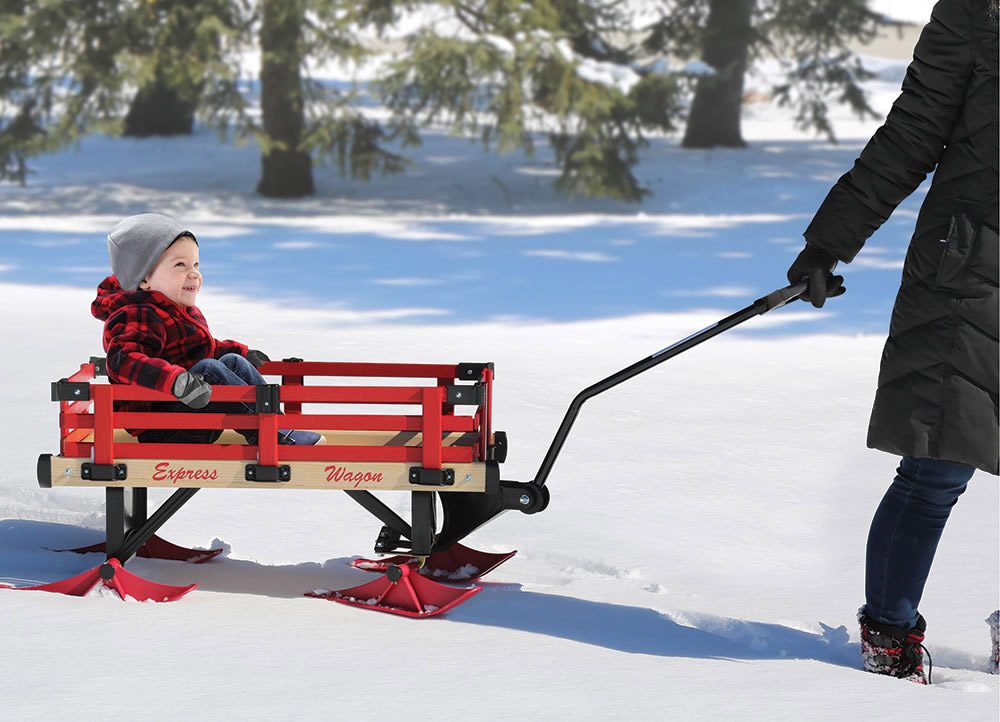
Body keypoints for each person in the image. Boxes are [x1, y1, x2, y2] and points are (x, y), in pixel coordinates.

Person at [786, 0, 998, 683]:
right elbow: (914, 130)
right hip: (971, 273)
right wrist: (831, 240)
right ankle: (889, 635)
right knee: (937, 466)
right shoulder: (977, 12)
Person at [92, 213, 324, 446]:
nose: (193, 273)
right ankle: (274, 435)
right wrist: (174, 380)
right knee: (209, 369)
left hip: (191, 412)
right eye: (180, 265)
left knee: (231, 361)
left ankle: (278, 426)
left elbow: (204, 348)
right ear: (144, 279)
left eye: (195, 264)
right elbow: (123, 360)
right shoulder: (137, 314)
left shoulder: (176, 309)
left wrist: (240, 352)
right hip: (162, 428)